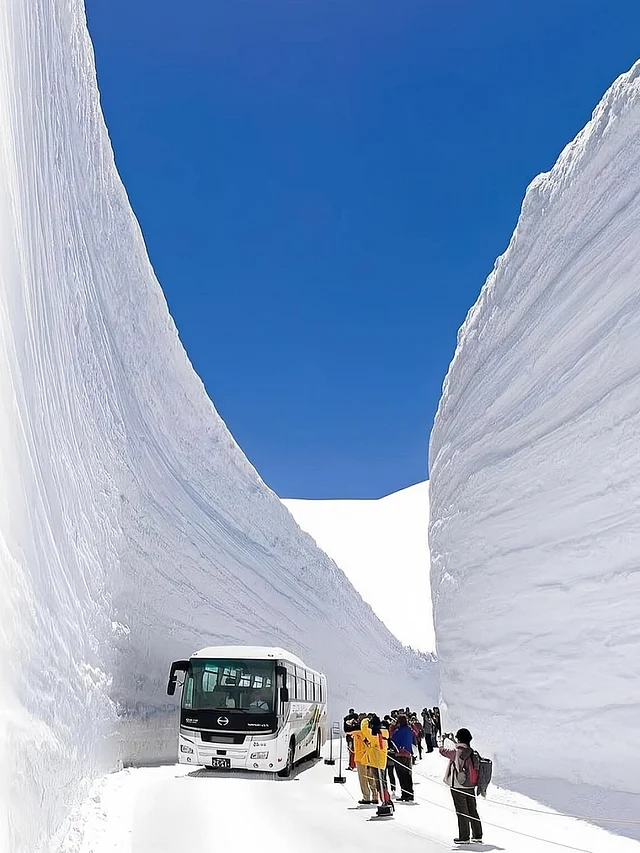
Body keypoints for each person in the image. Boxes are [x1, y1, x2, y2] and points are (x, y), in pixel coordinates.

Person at [440, 728, 483, 845]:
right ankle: (477, 835)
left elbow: (442, 751)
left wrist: (442, 740)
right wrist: (454, 740)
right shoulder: (472, 752)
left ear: (459, 739)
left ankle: (464, 837)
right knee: (472, 810)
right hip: (470, 785)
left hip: (458, 786)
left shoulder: (456, 752)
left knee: (461, 811)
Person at [367, 715, 394, 812]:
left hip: (376, 761)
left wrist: (365, 721)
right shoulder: (384, 733)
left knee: (380, 784)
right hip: (382, 760)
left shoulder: (375, 734)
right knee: (383, 782)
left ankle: (385, 801)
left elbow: (365, 730)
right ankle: (387, 800)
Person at [351, 719, 378, 804]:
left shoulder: (357, 732)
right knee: (371, 778)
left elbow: (347, 730)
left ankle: (366, 797)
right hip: (369, 758)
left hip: (360, 758)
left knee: (363, 779)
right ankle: (375, 796)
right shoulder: (370, 732)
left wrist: (350, 722)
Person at [390, 714, 414, 801]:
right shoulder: (409, 730)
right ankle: (410, 793)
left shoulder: (398, 731)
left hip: (400, 755)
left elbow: (392, 737)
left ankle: (405, 794)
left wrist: (392, 727)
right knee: (408, 775)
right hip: (408, 754)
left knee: (401, 775)